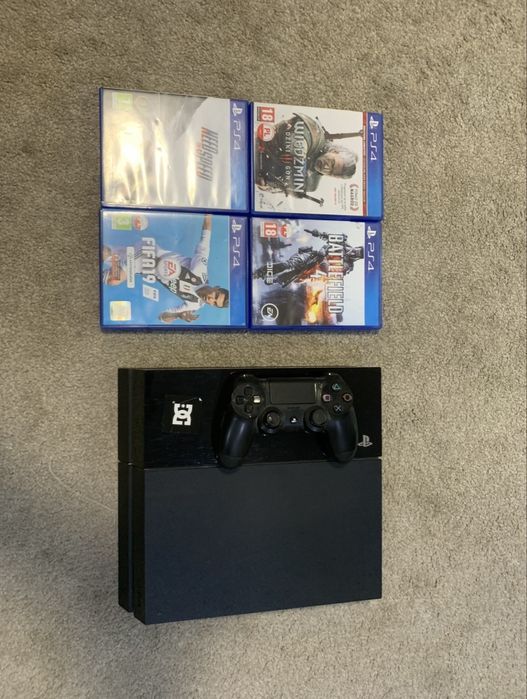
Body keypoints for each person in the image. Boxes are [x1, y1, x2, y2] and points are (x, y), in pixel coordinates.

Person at [102, 214, 229, 323]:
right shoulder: (200, 272)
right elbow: (205, 243)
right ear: (216, 287)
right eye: (216, 295)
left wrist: (178, 315)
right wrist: (208, 213)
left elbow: (162, 317)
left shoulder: (194, 304)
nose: (211, 299)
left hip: (145, 267)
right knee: (114, 279)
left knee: (108, 255)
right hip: (149, 254)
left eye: (214, 303)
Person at [255, 113, 361, 204]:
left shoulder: (311, 184)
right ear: (334, 151)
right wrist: (299, 161)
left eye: (331, 172)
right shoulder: (317, 135)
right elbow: (299, 134)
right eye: (332, 163)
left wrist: (266, 185)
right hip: (256, 142)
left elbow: (275, 188)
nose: (326, 167)